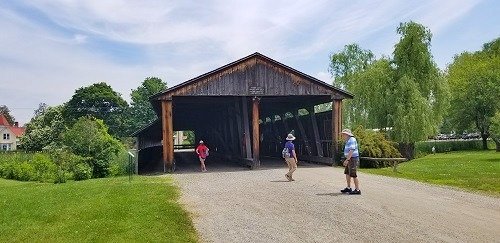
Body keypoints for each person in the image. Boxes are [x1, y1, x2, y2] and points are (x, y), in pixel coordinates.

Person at [340, 129, 361, 195]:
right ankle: (348, 187)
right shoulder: (348, 140)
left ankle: (357, 190)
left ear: (347, 134)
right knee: (347, 173)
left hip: (352, 159)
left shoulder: (352, 140)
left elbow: (352, 150)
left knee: (353, 174)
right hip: (350, 158)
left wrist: (347, 160)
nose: (342, 136)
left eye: (343, 134)